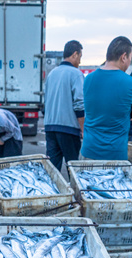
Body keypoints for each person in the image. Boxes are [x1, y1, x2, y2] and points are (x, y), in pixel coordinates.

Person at [80, 36, 132, 160]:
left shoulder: (88, 79)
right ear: (124, 57)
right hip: (115, 154)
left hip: (89, 151)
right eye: (130, 58)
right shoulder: (131, 83)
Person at [44, 40, 85, 171]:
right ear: (74, 54)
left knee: (52, 169)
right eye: (80, 57)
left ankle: (53, 191)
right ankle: (75, 191)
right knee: (73, 168)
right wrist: (83, 129)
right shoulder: (76, 74)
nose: (80, 61)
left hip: (50, 128)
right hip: (69, 129)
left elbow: (46, 101)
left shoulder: (52, 74)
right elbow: (79, 104)